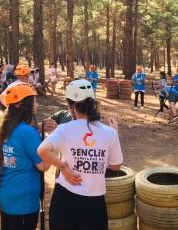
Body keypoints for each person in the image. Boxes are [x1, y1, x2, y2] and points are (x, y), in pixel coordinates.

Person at [37, 79, 123, 230]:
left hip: (64, 199)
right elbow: (115, 166)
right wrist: (115, 132)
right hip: (94, 204)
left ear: (71, 107)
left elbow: (42, 150)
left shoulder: (64, 129)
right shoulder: (109, 132)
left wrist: (63, 167)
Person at [0, 83, 51, 230]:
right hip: (24, 201)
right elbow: (43, 165)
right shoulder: (27, 132)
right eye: (34, 101)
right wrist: (52, 144)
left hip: (5, 196)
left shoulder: (5, 126)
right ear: (22, 105)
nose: (37, 105)